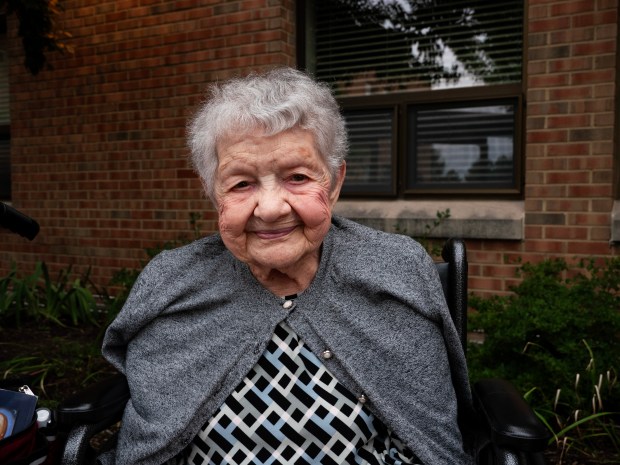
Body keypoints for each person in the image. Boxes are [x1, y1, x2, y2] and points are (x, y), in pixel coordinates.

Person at [100, 67, 473, 465]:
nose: (272, 208)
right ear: (214, 194)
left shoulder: (395, 270)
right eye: (241, 184)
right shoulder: (171, 283)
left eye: (297, 176)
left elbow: (433, 445)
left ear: (334, 182)